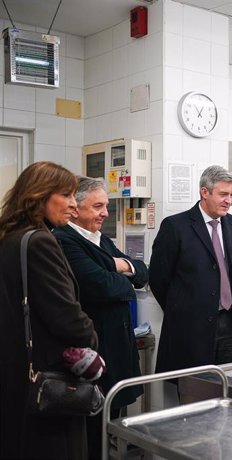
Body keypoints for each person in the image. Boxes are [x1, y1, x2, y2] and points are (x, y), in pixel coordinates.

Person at [0, 161, 98, 459]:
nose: (72, 205)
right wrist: (91, 339)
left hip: (13, 371)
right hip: (46, 378)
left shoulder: (8, 237)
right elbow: (68, 320)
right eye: (66, 195)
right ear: (39, 196)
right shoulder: (41, 242)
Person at [53, 176, 147, 458]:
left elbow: (142, 274)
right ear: (75, 208)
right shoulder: (64, 240)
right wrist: (121, 275)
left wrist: (122, 267)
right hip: (90, 353)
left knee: (111, 423)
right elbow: (100, 286)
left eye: (105, 206)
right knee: (90, 432)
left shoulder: (101, 240)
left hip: (117, 350)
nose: (105, 213)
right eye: (97, 207)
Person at [149, 165, 232, 374]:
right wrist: (183, 308)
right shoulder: (176, 226)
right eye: (223, 194)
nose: (229, 201)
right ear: (204, 192)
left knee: (230, 386)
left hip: (231, 324)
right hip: (191, 327)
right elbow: (158, 279)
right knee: (195, 391)